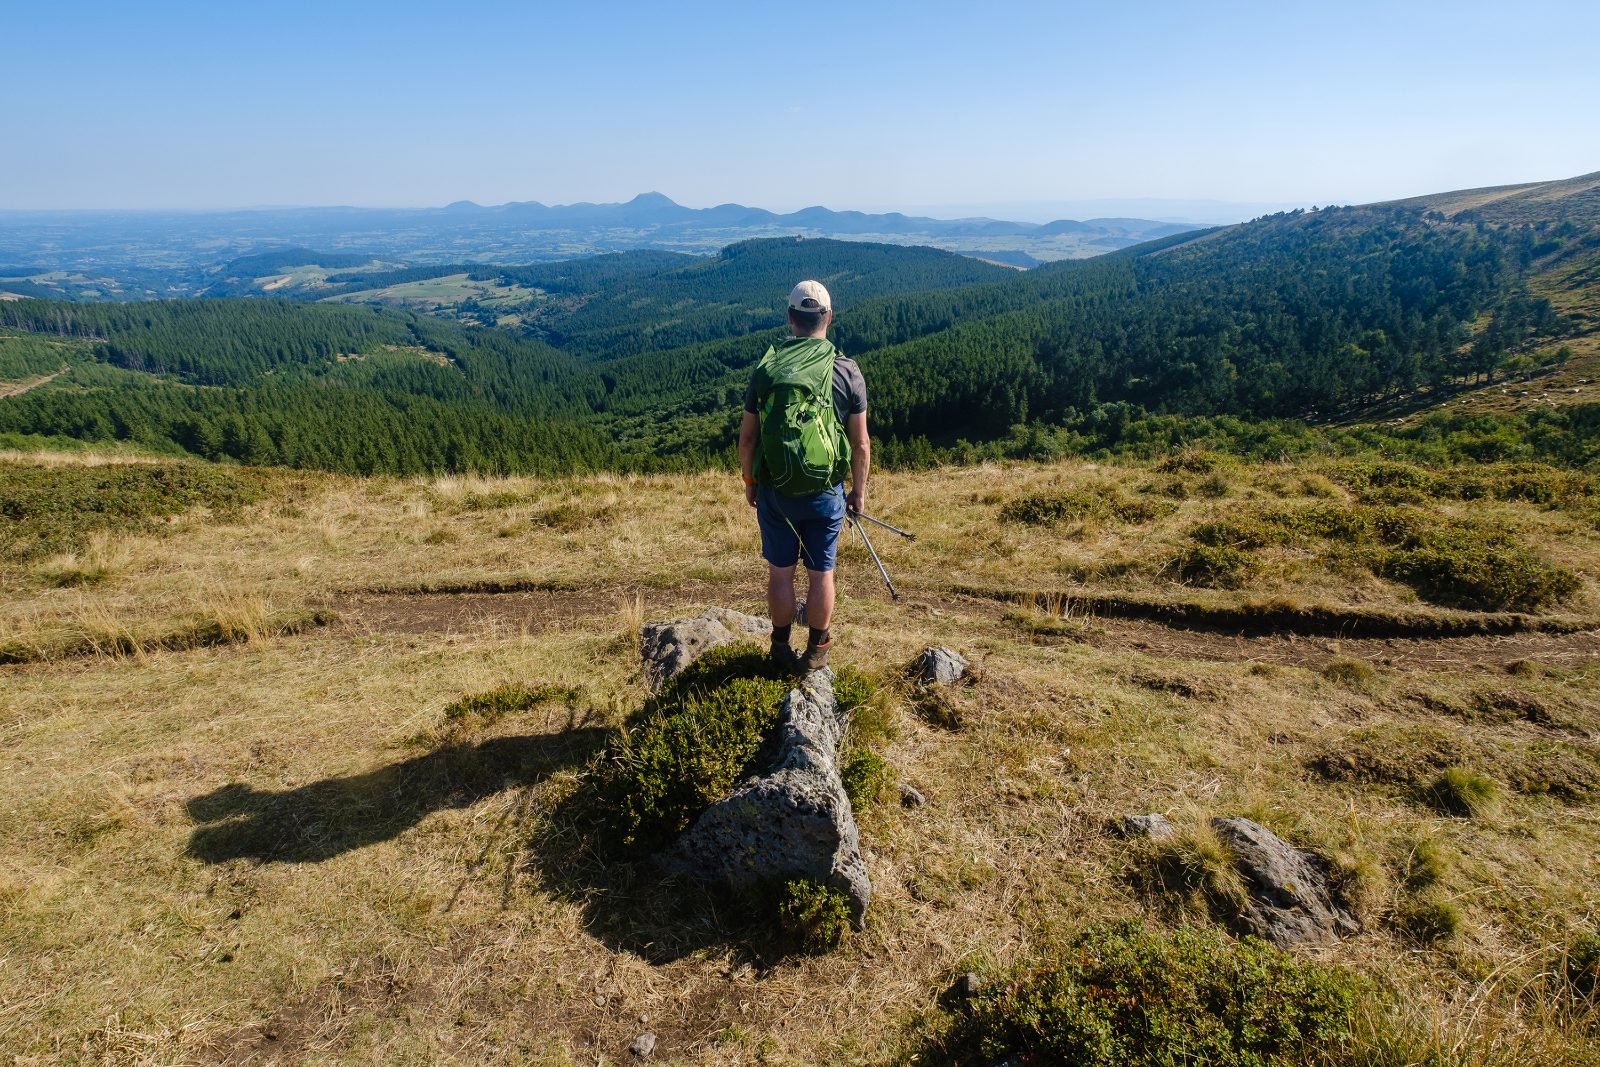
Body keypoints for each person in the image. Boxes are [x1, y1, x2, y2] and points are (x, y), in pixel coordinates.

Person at [738, 279, 870, 673]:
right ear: (828, 318)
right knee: (820, 573)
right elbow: (860, 444)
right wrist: (857, 494)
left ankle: (780, 645)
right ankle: (816, 649)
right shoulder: (847, 371)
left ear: (790, 319)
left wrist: (750, 482)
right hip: (824, 493)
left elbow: (748, 439)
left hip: (776, 491)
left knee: (781, 573)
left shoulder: (768, 368)